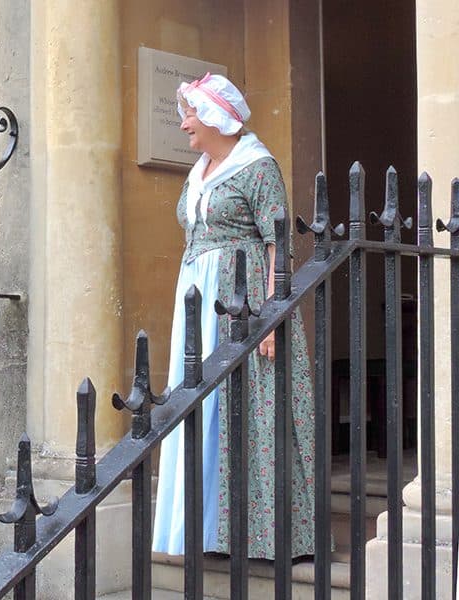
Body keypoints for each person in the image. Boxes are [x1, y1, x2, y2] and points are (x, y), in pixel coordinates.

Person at [152, 73, 316, 559]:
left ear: (216, 118)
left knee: (247, 404)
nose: (184, 124)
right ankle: (198, 529)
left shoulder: (257, 167)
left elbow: (276, 242)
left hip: (240, 302)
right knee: (199, 403)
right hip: (197, 299)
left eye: (190, 114)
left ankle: (253, 535)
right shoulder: (199, 169)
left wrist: (271, 315)